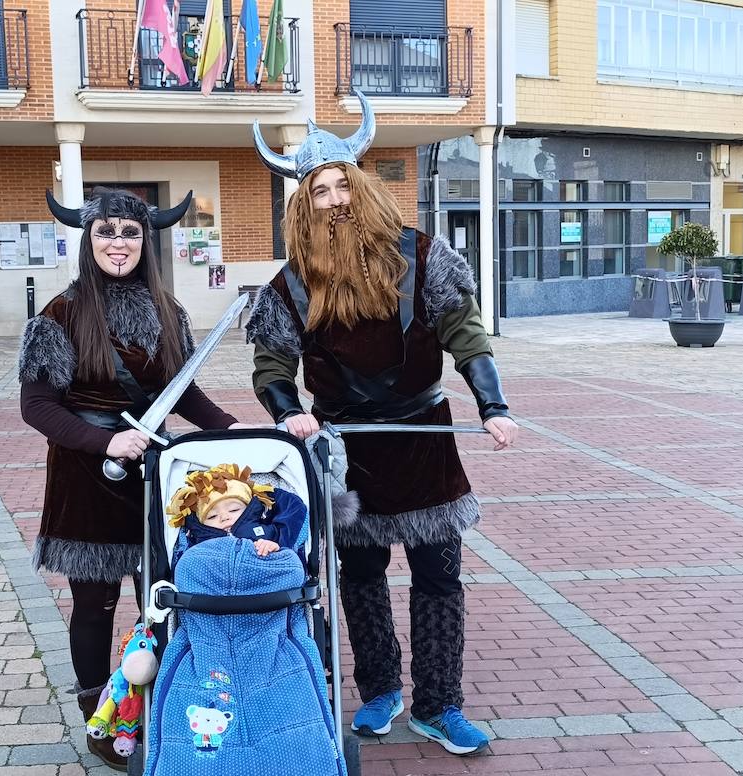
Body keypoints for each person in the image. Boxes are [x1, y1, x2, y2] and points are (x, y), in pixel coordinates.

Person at [245, 91, 519, 756]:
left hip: (424, 441)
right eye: (320, 192)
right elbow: (272, 367)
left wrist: (493, 405)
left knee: (438, 577)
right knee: (360, 578)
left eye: (343, 186)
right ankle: (379, 692)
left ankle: (439, 704)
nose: (335, 201)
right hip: (344, 451)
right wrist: (289, 414)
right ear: (304, 205)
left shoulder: (422, 256)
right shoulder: (290, 285)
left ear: (361, 188)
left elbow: (467, 337)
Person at [17, 187, 244, 770]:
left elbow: (181, 392)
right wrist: (104, 439)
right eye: (105, 232)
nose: (118, 244)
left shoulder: (169, 311)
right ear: (88, 240)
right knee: (93, 603)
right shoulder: (60, 314)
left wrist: (233, 429)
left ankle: (157, 707)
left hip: (154, 471)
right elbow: (37, 407)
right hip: (84, 475)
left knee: (160, 601)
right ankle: (99, 717)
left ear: (147, 242)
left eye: (131, 233)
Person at [166, 463, 308, 557]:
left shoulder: (264, 528)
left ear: (249, 509)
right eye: (212, 516)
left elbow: (293, 509)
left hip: (265, 583)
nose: (224, 517)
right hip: (213, 593)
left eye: (233, 510)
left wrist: (277, 546)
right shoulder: (197, 539)